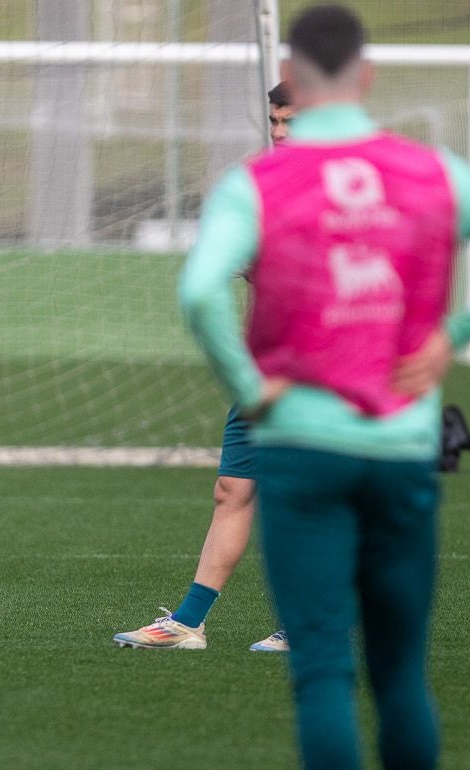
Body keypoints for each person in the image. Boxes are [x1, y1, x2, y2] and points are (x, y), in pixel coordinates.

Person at [177, 5, 470, 768]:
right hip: (400, 440)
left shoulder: (259, 181)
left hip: (298, 439)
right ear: (366, 76)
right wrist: (454, 336)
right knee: (397, 678)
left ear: (290, 78)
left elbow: (198, 292)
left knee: (321, 672)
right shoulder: (427, 168)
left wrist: (249, 384)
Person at [113, 82, 295, 654]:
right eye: (274, 120)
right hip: (259, 371)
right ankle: (189, 624)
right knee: (231, 489)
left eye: (293, 121)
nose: (281, 132)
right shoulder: (262, 183)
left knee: (304, 498)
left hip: (315, 371)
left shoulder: (340, 190)